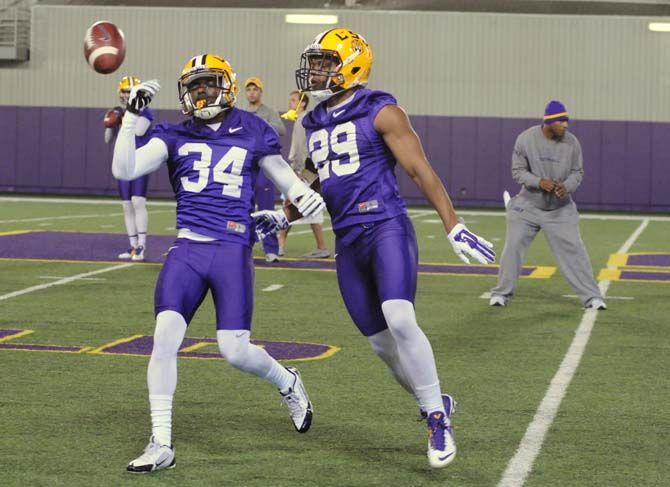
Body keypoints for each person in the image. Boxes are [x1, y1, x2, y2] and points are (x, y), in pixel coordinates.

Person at [254, 28, 495, 469]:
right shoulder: (313, 120)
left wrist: (453, 225)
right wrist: (285, 216)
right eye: (316, 63)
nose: (316, 70)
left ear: (352, 64)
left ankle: (436, 418)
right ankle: (434, 398)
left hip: (385, 226)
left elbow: (420, 170)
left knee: (401, 319)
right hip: (348, 241)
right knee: (384, 349)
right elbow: (321, 182)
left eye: (326, 62)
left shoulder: (381, 110)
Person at [112, 54, 326, 473]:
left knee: (234, 350)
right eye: (194, 87)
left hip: (231, 250)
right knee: (165, 338)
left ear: (226, 86)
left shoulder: (254, 130)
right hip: (188, 249)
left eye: (208, 84)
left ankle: (288, 382)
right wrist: (127, 118)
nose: (201, 92)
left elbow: (291, 185)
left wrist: (292, 210)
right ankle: (161, 441)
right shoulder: (172, 132)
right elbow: (125, 168)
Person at [489, 100, 606, 310]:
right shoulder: (525, 139)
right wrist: (538, 182)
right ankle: (501, 294)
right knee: (512, 247)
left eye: (567, 120)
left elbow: (577, 173)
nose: (566, 125)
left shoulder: (573, 143)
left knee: (575, 250)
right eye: (561, 121)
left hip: (560, 209)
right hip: (527, 206)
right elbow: (518, 171)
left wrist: (567, 187)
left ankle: (592, 297)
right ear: (549, 121)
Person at [104, 76, 154, 261]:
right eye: (124, 91)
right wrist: (109, 123)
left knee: (137, 201)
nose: (125, 95)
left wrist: (123, 118)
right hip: (124, 161)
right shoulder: (121, 112)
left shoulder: (145, 112)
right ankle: (133, 246)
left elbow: (138, 131)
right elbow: (108, 139)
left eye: (129, 91)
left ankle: (142, 245)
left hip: (140, 161)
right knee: (126, 205)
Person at [279, 90, 330, 258]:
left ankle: (279, 245)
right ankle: (320, 246)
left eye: (293, 100)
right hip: (307, 170)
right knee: (305, 207)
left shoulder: (302, 120)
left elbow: (302, 148)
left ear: (302, 103)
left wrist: (299, 171)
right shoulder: (302, 119)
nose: (290, 103)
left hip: (304, 171)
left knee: (291, 205)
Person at [244, 77, 286, 262]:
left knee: (266, 207)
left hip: (264, 165)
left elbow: (282, 129)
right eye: (249, 89)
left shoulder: (268, 112)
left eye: (255, 89)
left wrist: (260, 125)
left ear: (260, 92)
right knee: (243, 207)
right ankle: (244, 246)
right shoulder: (241, 114)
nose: (252, 92)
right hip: (245, 165)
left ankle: (271, 249)